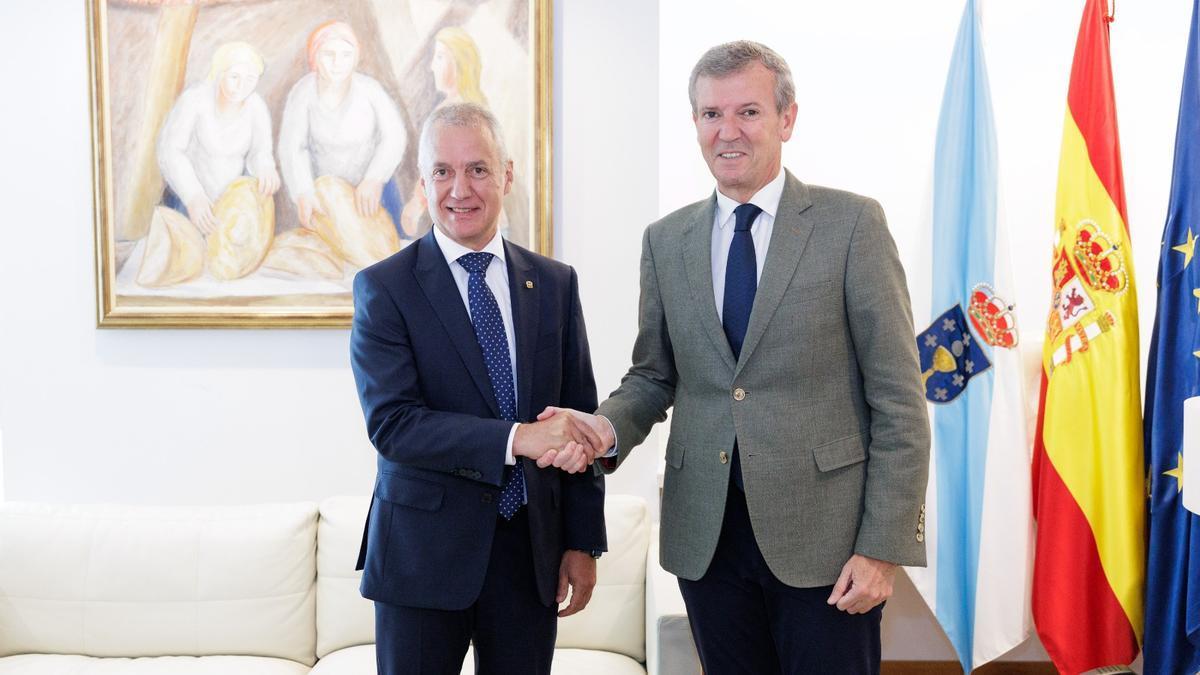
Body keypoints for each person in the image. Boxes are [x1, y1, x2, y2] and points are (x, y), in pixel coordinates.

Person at [539, 41, 930, 674]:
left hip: (825, 542)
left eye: (747, 111)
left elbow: (899, 403)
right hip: (708, 538)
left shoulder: (852, 225)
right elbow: (654, 375)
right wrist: (603, 428)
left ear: (787, 119)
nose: (728, 131)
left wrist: (882, 547)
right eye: (710, 114)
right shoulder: (666, 241)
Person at [349, 102, 608, 675]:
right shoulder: (384, 289)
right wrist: (519, 438)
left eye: (478, 169)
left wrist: (582, 541)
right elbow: (393, 425)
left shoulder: (556, 284)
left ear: (507, 175)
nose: (459, 188)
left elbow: (579, 418)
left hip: (529, 556)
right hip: (421, 558)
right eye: (442, 171)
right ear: (423, 183)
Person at [278, 20, 407, 235]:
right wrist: (303, 192)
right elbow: (292, 147)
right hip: (326, 198)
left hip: (373, 192)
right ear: (314, 58)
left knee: (389, 255)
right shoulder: (302, 93)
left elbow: (394, 136)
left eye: (346, 55)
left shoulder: (370, 90)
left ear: (355, 58)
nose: (338, 62)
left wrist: (374, 178)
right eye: (329, 54)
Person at [157, 41, 280, 235]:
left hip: (230, 205)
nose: (241, 86)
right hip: (186, 201)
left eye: (250, 79)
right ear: (219, 73)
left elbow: (260, 152)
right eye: (234, 77)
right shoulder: (195, 99)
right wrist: (193, 196)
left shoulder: (256, 107)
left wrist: (265, 167)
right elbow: (170, 152)